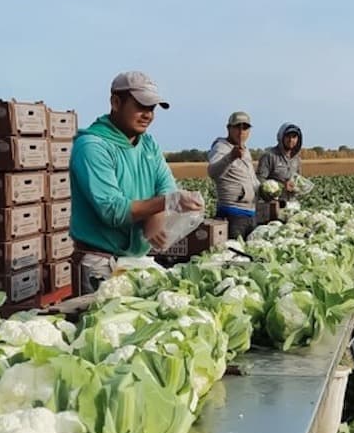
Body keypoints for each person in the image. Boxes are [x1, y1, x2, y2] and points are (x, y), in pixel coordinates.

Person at [70, 71, 203, 295]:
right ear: (115, 102)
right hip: (101, 263)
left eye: (152, 109)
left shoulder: (148, 144)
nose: (148, 115)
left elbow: (166, 186)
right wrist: (167, 202)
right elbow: (112, 211)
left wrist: (156, 216)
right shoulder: (92, 146)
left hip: (135, 260)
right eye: (142, 106)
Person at [208, 111, 259, 240]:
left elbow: (251, 178)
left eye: (245, 127)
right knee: (235, 255)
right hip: (232, 213)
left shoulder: (245, 150)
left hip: (250, 213)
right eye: (237, 127)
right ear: (229, 128)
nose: (241, 131)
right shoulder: (221, 148)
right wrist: (230, 157)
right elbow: (212, 172)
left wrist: (265, 190)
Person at [257, 122, 303, 206]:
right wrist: (281, 186)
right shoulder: (269, 156)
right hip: (272, 206)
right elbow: (259, 180)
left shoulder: (297, 160)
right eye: (288, 136)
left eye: (294, 137)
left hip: (292, 204)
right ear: (281, 137)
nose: (291, 140)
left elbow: (298, 180)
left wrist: (297, 187)